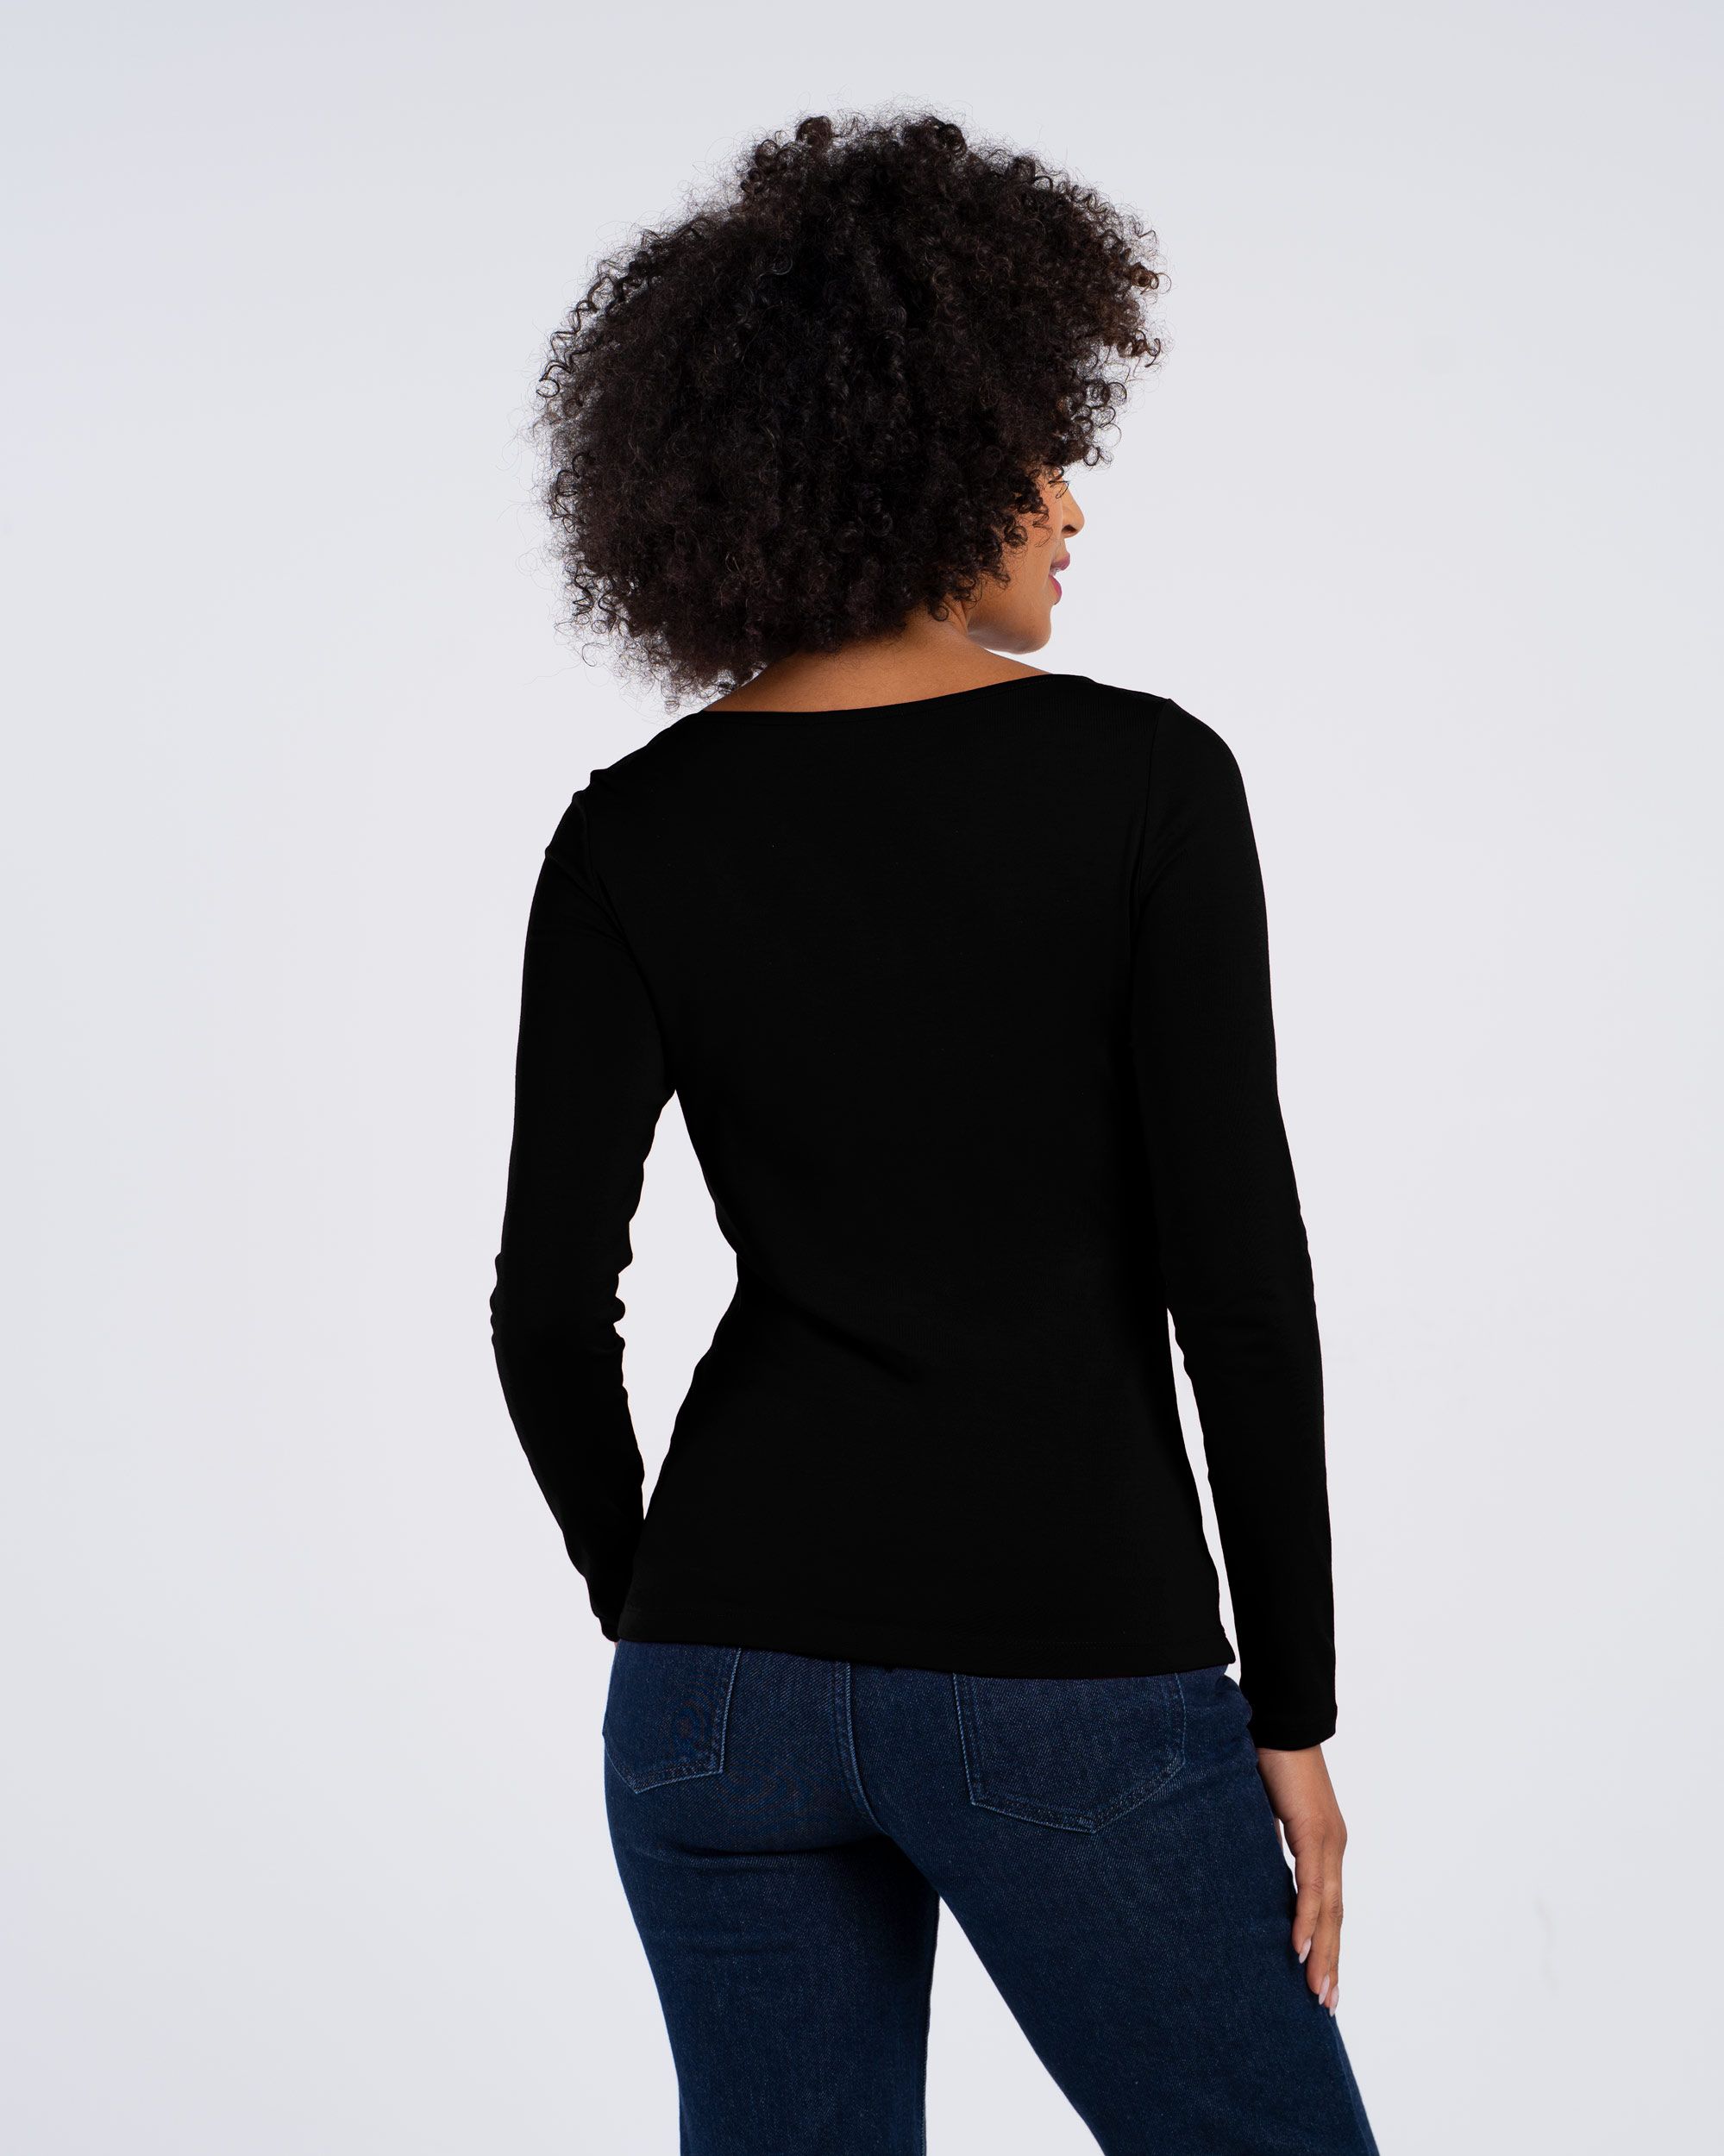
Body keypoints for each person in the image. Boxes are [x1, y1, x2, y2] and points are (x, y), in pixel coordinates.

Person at [489, 110, 1379, 2154]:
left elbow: (546, 1307)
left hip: (714, 1692)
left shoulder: (630, 828)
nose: (1070, 502)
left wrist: (661, 1598)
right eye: (1035, 447)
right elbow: (1239, 1287)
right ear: (912, 452)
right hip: (1065, 1665)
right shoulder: (1141, 782)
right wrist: (1293, 1709)